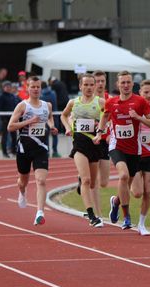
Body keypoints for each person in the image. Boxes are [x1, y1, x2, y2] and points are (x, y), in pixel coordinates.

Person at [93, 71, 150, 230]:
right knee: (124, 176)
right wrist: (100, 133)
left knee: (128, 184)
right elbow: (104, 117)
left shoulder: (141, 101)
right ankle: (126, 216)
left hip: (134, 149)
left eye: (128, 82)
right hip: (116, 146)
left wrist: (138, 118)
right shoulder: (111, 102)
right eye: (123, 83)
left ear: (132, 84)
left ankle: (115, 202)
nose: (126, 85)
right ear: (118, 85)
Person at [7, 76, 58, 226]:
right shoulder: (22, 106)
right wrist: (29, 121)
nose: (36, 89)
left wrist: (52, 126)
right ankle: (22, 192)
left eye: (38, 86)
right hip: (24, 149)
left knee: (41, 180)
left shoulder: (47, 105)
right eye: (33, 87)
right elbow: (10, 126)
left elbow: (49, 118)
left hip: (41, 149)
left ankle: (40, 212)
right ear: (28, 88)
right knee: (23, 181)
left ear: (41, 88)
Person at [61, 74, 106, 227]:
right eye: (85, 85)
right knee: (87, 180)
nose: (88, 87)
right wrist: (68, 128)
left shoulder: (100, 102)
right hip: (79, 144)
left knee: (92, 182)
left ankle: (81, 182)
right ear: (80, 86)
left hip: (95, 143)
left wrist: (100, 131)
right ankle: (92, 216)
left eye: (91, 85)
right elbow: (63, 115)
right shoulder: (73, 103)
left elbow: (108, 117)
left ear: (95, 87)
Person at [130, 79, 150, 236]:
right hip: (134, 152)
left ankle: (141, 224)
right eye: (146, 92)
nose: (149, 95)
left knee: (148, 191)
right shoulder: (132, 107)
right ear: (139, 93)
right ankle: (117, 200)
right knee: (137, 192)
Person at [87, 70, 111, 220]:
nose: (100, 84)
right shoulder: (87, 100)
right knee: (92, 181)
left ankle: (81, 178)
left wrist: (110, 133)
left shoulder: (110, 100)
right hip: (91, 142)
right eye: (98, 81)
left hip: (106, 142)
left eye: (103, 81)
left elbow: (115, 119)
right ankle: (98, 214)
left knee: (104, 182)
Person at [0, 80, 18, 157]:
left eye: (9, 86)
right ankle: (4, 152)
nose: (8, 88)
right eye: (6, 86)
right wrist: (3, 119)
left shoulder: (12, 96)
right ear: (3, 87)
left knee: (14, 136)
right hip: (5, 120)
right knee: (4, 136)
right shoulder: (1, 96)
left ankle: (14, 151)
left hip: (13, 120)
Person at [49, 76, 69, 157]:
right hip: (65, 101)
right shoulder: (62, 83)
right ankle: (65, 129)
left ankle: (61, 130)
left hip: (60, 103)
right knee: (65, 116)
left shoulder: (54, 85)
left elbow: (55, 95)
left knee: (61, 117)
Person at [40, 81, 59, 157]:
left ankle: (46, 152)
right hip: (54, 115)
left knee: (46, 135)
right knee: (55, 135)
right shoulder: (53, 93)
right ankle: (55, 151)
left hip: (44, 117)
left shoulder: (40, 96)